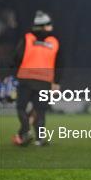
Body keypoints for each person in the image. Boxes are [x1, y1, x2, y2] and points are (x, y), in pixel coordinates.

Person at [13, 10, 62, 146]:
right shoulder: (54, 42)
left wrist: (14, 72)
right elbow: (59, 64)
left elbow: (17, 58)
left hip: (26, 79)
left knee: (21, 107)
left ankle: (26, 131)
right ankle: (40, 140)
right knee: (40, 111)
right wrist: (56, 82)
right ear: (44, 26)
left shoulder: (27, 38)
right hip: (44, 81)